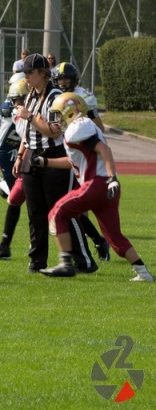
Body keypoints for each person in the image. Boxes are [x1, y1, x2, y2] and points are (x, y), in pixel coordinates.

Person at [37, 93, 153, 281]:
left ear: (70, 112)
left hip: (97, 183)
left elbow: (104, 149)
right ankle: (143, 273)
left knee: (57, 213)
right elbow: (74, 161)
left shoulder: (78, 126)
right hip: (106, 188)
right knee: (114, 236)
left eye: (59, 114)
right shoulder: (80, 129)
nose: (57, 119)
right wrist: (46, 162)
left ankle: (65, 263)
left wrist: (112, 177)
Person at [13, 53, 97, 274]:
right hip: (32, 156)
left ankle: (84, 260)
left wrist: (30, 116)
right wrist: (20, 156)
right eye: (25, 73)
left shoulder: (56, 96)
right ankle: (37, 261)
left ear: (43, 73)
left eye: (30, 73)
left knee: (61, 211)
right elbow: (27, 132)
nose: (26, 77)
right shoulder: (31, 96)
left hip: (54, 156)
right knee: (35, 213)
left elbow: (54, 131)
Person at [0, 79, 29, 260]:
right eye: (15, 100)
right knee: (16, 199)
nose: (17, 103)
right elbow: (25, 133)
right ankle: (5, 246)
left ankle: (89, 247)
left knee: (57, 208)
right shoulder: (11, 108)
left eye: (21, 99)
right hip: (18, 155)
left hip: (38, 158)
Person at [52, 62, 105, 132]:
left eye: (66, 78)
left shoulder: (83, 95)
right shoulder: (54, 95)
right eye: (60, 79)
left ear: (73, 79)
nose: (63, 82)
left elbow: (99, 127)